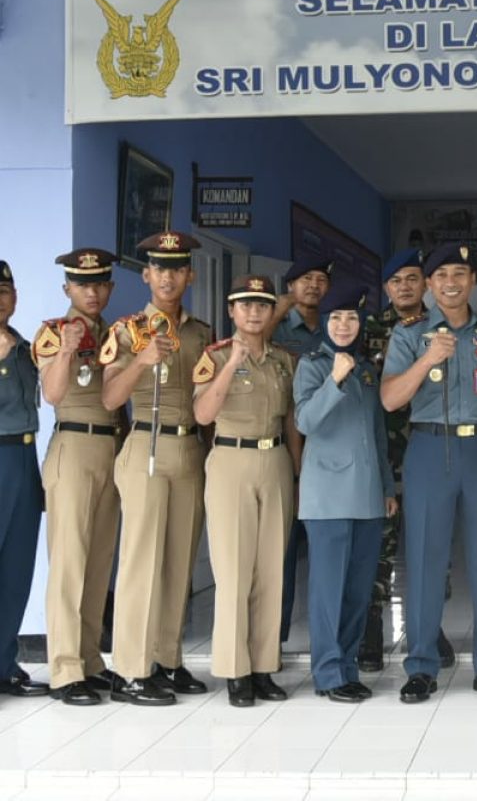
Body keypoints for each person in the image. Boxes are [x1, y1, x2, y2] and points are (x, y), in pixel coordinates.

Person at [381, 243, 477, 704]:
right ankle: (421, 666)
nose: (450, 283)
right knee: (424, 558)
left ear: (473, 280)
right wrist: (427, 359)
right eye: (440, 275)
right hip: (428, 446)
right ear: (428, 284)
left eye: (459, 273)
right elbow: (389, 399)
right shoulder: (409, 335)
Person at [99, 231, 211, 706]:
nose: (168, 276)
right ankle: (129, 669)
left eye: (177, 268)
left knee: (178, 562)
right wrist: (142, 360)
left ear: (190, 274)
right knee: (142, 561)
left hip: (189, 449)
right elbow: (110, 398)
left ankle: (167, 659)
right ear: (146, 275)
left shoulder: (201, 333)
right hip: (146, 442)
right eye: (159, 268)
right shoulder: (127, 330)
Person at [192, 275, 301, 707]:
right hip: (231, 461)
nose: (254, 312)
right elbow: (202, 414)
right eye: (245, 305)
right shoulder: (215, 357)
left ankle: (262, 666)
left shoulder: (283, 361)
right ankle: (235, 672)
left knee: (271, 570)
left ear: (272, 311)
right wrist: (232, 364)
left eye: (262, 305)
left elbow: (291, 420)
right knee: (234, 570)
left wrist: (295, 470)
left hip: (273, 459)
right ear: (231, 311)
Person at [294, 277, 397, 702]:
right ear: (325, 322)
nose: (342, 325)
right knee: (328, 590)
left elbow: (377, 434)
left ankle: (348, 666)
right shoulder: (313, 365)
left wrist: (388, 488)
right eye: (335, 317)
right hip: (328, 497)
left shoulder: (369, 371)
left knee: (358, 590)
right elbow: (304, 423)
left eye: (350, 317)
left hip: (368, 496)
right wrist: (333, 381)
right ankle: (328, 672)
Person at [33, 248, 121, 705]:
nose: (92, 291)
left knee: (98, 561)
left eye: (100, 283)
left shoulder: (118, 332)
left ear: (109, 287)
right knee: (69, 561)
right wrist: (68, 351)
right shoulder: (53, 332)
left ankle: (89, 659)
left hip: (110, 446)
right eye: (83, 284)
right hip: (73, 446)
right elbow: (52, 393)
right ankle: (64, 669)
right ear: (68, 288)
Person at [361, 248, 455, 672]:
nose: (405, 287)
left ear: (427, 285)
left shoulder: (445, 325)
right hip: (380, 450)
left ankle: (429, 627)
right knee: (380, 542)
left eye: (413, 279)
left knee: (431, 541)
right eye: (396, 280)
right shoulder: (364, 329)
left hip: (427, 449)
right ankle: (371, 629)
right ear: (386, 288)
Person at [268, 254, 331, 645]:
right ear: (289, 285)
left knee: (325, 545)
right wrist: (278, 309)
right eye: (304, 278)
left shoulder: (332, 326)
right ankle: (273, 639)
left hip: (325, 444)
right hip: (280, 442)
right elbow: (250, 343)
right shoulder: (273, 323)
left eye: (320, 279)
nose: (312, 285)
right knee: (281, 549)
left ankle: (329, 637)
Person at [0, 259, 47, 699]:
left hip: (24, 457)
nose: (0, 302)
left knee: (16, 569)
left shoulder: (27, 349)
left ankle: (5, 663)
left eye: (5, 294)